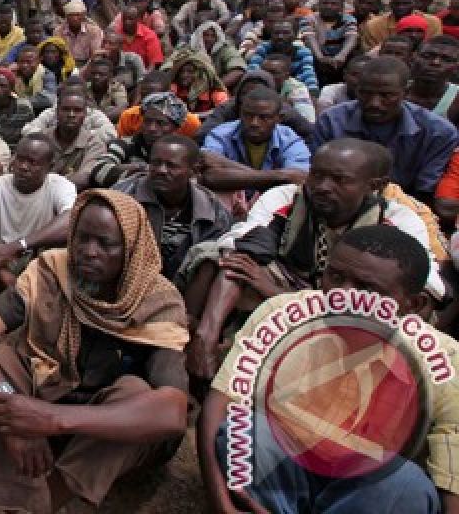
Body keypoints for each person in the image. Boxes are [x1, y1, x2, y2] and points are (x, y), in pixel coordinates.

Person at [0, 189, 190, 513]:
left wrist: (53, 420)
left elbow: (173, 413)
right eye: (81, 239)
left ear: (131, 250)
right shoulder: (53, 270)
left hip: (97, 430)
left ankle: (44, 500)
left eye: (105, 244)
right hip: (46, 395)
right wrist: (10, 405)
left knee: (135, 392)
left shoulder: (158, 302)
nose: (89, 252)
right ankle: (15, 490)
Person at [198, 224, 459, 514]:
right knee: (250, 434)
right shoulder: (281, 315)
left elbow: (452, 478)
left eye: (366, 288)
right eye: (335, 276)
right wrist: (222, 505)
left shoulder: (444, 361)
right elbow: (220, 406)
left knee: (407, 486)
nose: (341, 295)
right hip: (286, 470)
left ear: (414, 304)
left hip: (367, 493)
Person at [183, 139, 442, 384]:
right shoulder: (287, 197)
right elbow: (246, 246)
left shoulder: (400, 220)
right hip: (293, 285)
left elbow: (426, 289)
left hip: (352, 304)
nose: (322, 186)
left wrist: (279, 294)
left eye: (339, 180)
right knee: (223, 258)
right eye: (316, 174)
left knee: (410, 311)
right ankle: (200, 340)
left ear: (374, 185)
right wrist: (210, 331)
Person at [315, 56, 459, 203]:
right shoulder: (331, 121)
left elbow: (425, 190)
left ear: (406, 92)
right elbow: (318, 176)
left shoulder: (438, 132)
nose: (374, 103)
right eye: (365, 93)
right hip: (338, 202)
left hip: (408, 208)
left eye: (386, 95)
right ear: (356, 89)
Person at [113, 135, 232, 279]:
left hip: (184, 286)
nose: (161, 170)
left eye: (171, 165)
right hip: (127, 277)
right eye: (156, 163)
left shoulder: (213, 211)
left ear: (193, 171)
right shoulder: (122, 195)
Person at [0, 134, 77, 289]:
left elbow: (71, 220)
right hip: (0, 258)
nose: (23, 166)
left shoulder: (60, 185)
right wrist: (2, 272)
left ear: (50, 166)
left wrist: (19, 245)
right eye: (20, 159)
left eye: (32, 162)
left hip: (38, 255)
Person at [201, 86, 312, 194]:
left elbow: (299, 179)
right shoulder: (221, 134)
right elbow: (210, 176)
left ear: (278, 118)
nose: (254, 123)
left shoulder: (290, 140)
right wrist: (281, 176)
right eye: (248, 115)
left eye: (264, 117)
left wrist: (225, 163)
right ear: (240, 113)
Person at [88, 92, 186, 188]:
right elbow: (98, 171)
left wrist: (129, 170)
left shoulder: (183, 152)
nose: (152, 128)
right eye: (147, 121)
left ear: (175, 127)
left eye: (161, 123)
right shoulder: (125, 144)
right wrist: (139, 168)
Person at [247, 18, 319, 97]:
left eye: (286, 33)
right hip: (263, 91)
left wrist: (312, 96)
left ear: (295, 35)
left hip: (295, 91)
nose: (280, 37)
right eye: (276, 33)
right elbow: (252, 73)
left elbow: (309, 76)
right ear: (271, 35)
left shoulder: (302, 52)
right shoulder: (263, 48)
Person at [49, 86, 109, 180]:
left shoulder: (94, 143)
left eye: (77, 110)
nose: (71, 115)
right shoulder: (42, 138)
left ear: (85, 114)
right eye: (66, 109)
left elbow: (83, 179)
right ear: (57, 112)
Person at [360, 0, 443, 51]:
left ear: (416, 3)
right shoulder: (374, 25)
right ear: (390, 4)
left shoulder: (433, 22)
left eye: (406, 3)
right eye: (397, 3)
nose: (401, 7)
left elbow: (435, 48)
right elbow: (369, 53)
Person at [408, 34, 459, 129]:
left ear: (456, 68)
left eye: (447, 59)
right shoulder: (394, 89)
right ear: (412, 59)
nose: (435, 62)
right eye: (427, 56)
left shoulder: (456, 99)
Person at [261, 51, 317, 125]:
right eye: (264, 72)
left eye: (273, 72)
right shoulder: (256, 83)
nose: (267, 76)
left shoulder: (297, 89)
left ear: (286, 76)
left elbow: (307, 121)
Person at [188, 21, 246, 91]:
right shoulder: (191, 48)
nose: (209, 39)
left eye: (212, 36)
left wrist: (212, 87)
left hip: (216, 90)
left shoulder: (225, 49)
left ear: (217, 38)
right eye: (206, 35)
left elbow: (238, 71)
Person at [10, 44, 58, 115]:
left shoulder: (47, 74)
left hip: (41, 114)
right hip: (18, 113)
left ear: (38, 61)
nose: (24, 65)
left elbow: (48, 100)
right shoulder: (14, 74)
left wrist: (19, 101)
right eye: (21, 62)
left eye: (29, 62)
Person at [55, 0, 103, 66]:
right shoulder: (59, 31)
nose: (75, 18)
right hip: (66, 64)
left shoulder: (94, 31)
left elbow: (95, 55)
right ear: (66, 17)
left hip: (88, 64)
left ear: (83, 16)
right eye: (71, 15)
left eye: (78, 15)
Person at [116, 4, 164, 70]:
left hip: (143, 73)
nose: (127, 22)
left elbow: (153, 63)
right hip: (119, 71)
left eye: (130, 19)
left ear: (138, 19)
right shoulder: (116, 33)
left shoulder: (150, 35)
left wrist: (144, 79)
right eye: (124, 19)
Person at [84, 56, 129, 122]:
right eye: (94, 74)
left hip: (109, 126)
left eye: (101, 74)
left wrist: (98, 118)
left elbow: (122, 109)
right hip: (88, 125)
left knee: (111, 109)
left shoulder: (117, 87)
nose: (96, 77)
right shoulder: (84, 87)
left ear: (110, 76)